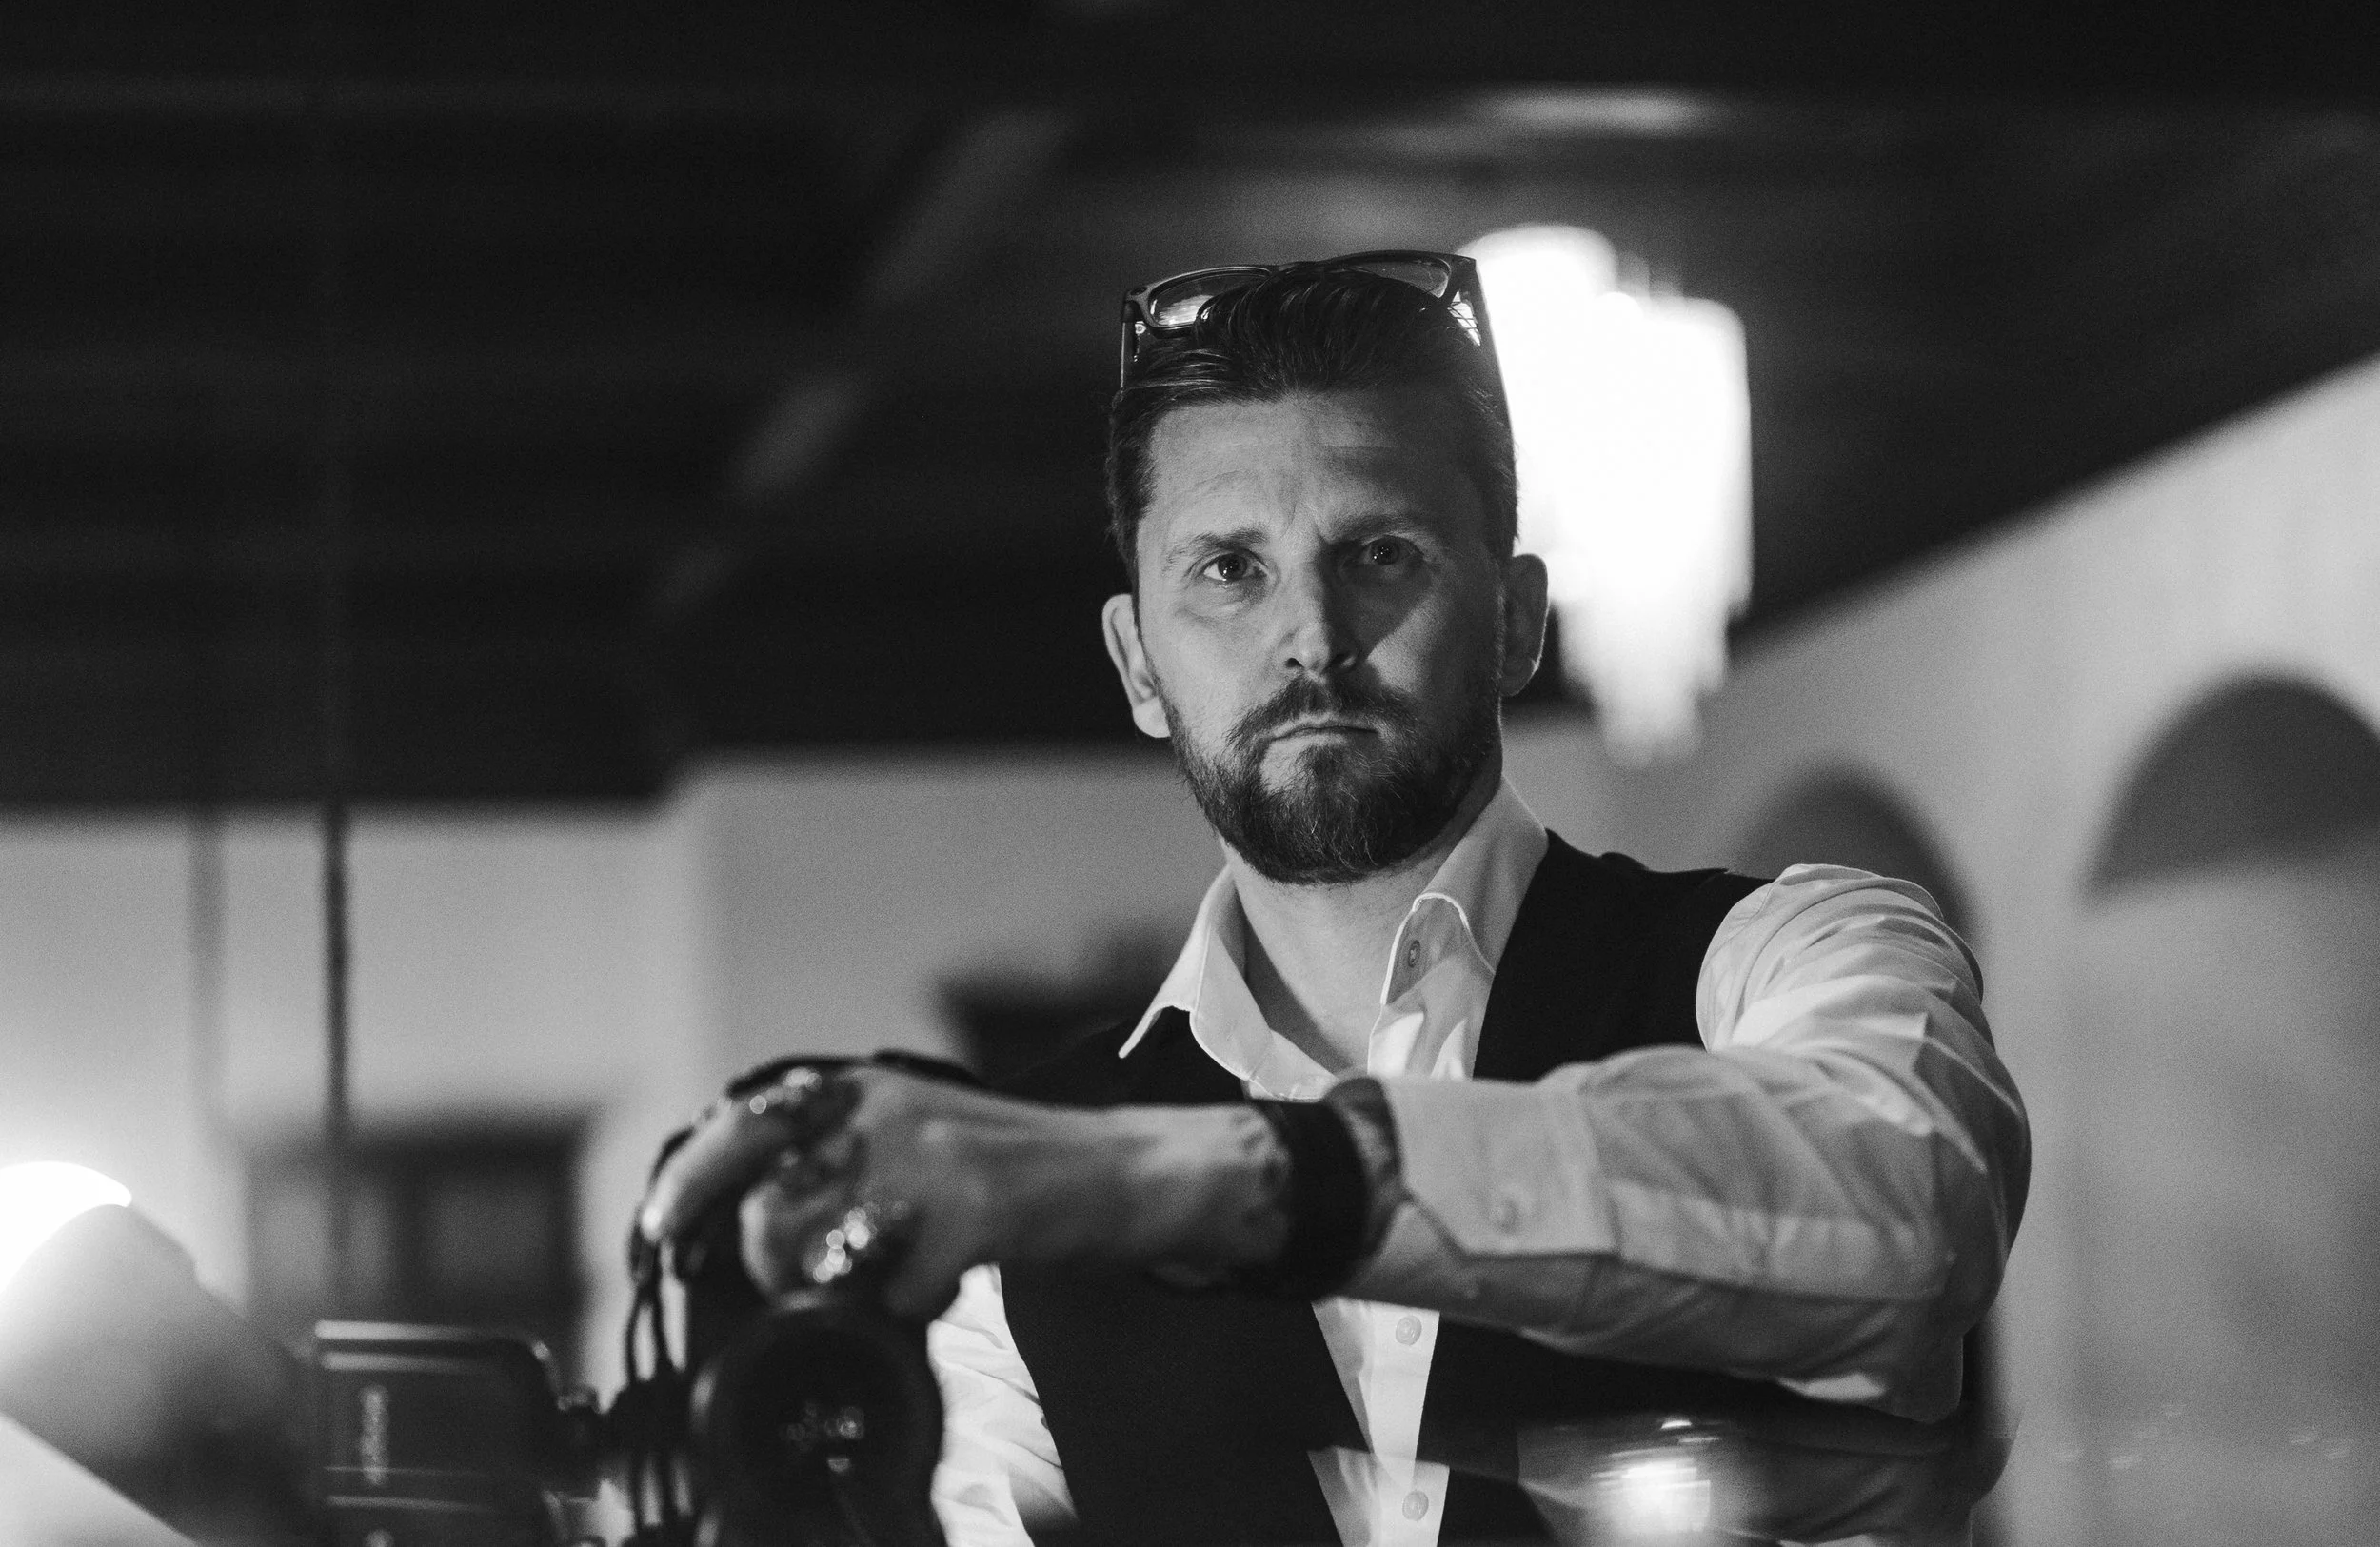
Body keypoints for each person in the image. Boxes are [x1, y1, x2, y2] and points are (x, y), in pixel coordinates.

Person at [640, 253, 2030, 1546]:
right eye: (1228, 570)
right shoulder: (1010, 1255)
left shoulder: (1795, 949)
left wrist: (1163, 1181)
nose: (1310, 638)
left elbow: (1910, 1213)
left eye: (1381, 554)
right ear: (1137, 660)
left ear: (1516, 617)